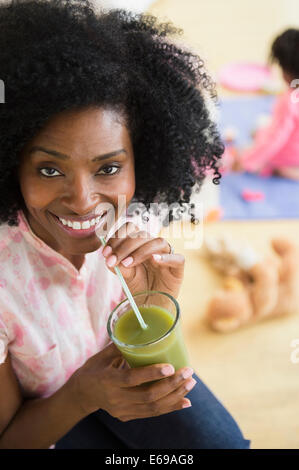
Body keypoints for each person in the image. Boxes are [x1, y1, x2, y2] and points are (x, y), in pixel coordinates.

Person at [0, 0, 250, 449]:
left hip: (129, 366)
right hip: (48, 416)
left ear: (140, 159)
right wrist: (82, 395)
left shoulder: (131, 215)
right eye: (50, 170)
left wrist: (158, 298)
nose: (82, 201)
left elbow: (153, 347)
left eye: (109, 168)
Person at [235, 29, 299, 180]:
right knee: (263, 129)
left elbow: (275, 138)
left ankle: (284, 169)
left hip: (291, 155)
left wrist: (246, 161)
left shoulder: (289, 101)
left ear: (286, 71)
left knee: (262, 133)